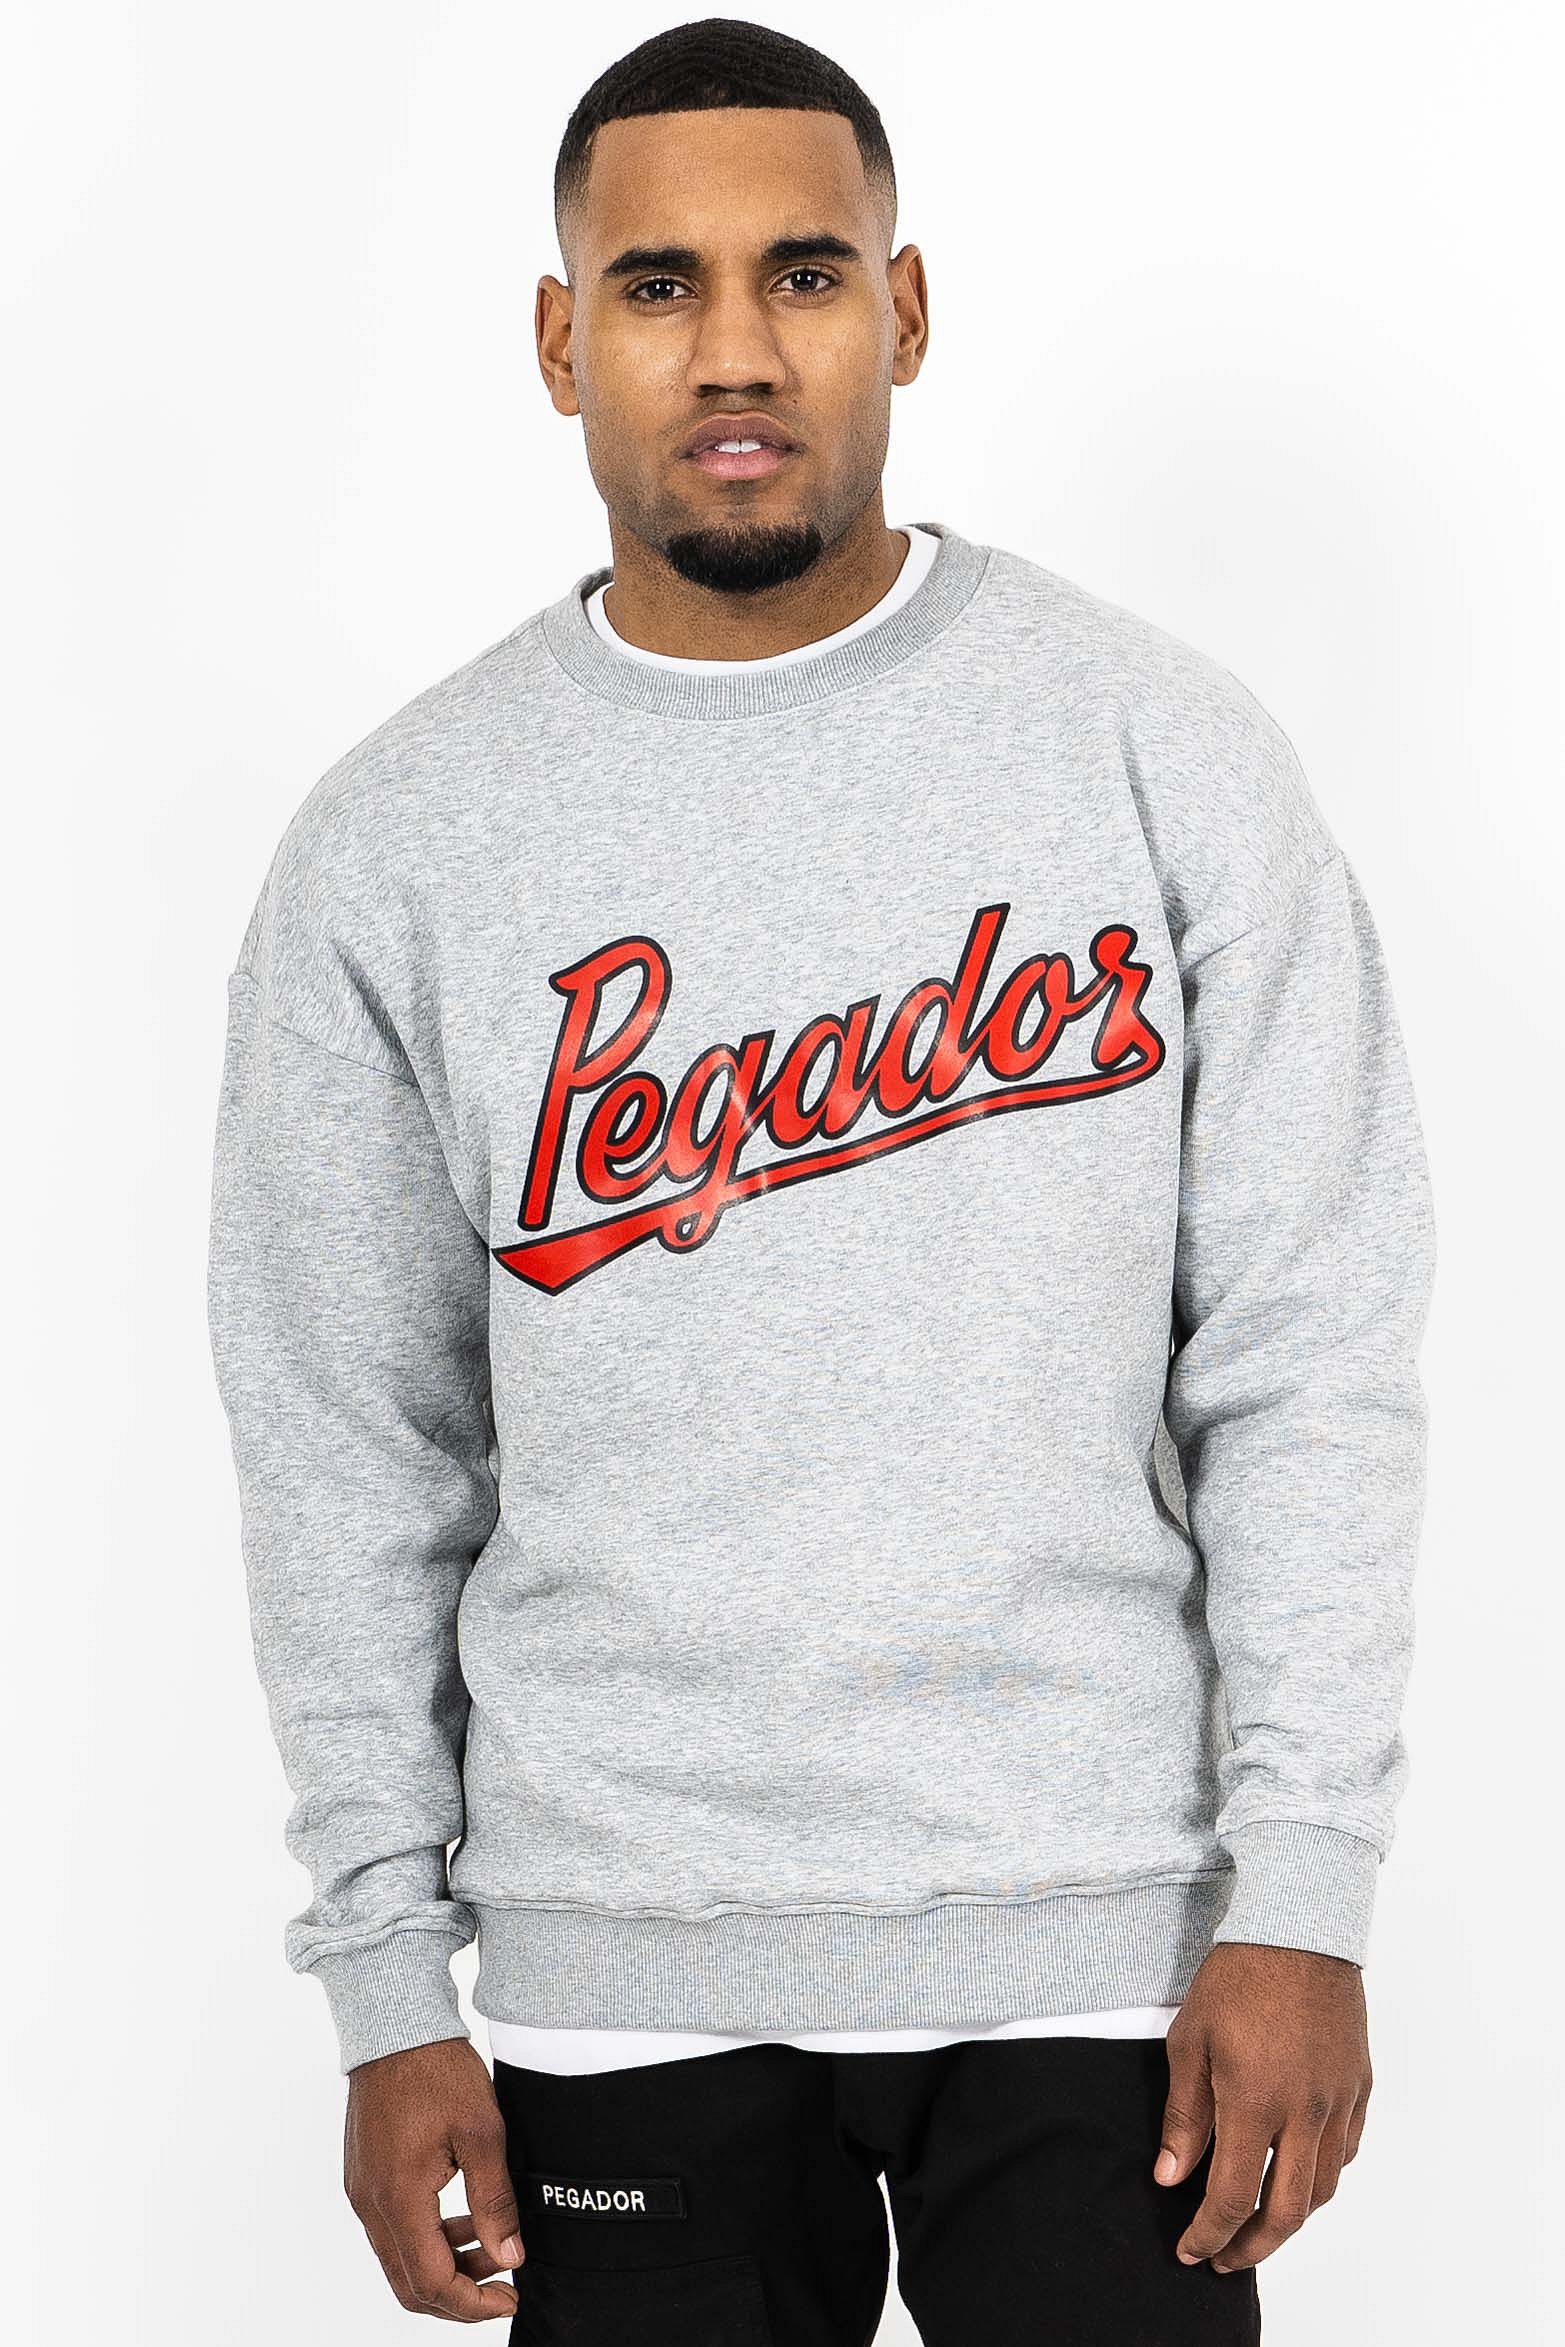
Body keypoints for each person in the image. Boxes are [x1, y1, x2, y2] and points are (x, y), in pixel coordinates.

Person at [205, 17, 1436, 2343]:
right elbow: (348, 1443)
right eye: (656, 285)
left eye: (804, 271)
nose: (738, 349)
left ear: (908, 307)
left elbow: (1310, 1355)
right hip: (620, 1955)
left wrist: (1305, 1894)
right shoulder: (400, 844)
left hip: (1104, 1939)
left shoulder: (1157, 749)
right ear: (559, 341)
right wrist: (383, 1978)